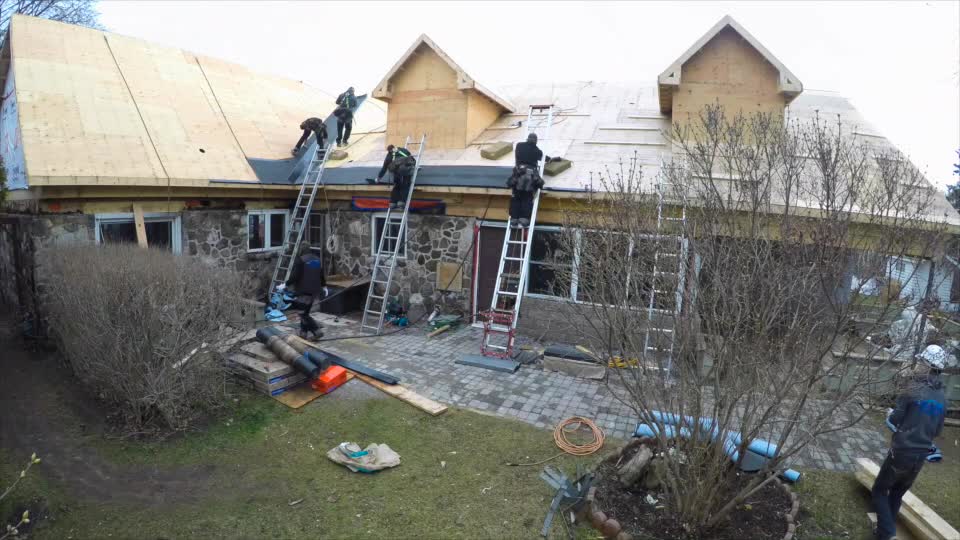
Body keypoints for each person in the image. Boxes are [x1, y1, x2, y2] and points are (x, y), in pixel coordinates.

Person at [871, 346, 947, 540]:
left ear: (928, 365)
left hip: (902, 452)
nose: (918, 365)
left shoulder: (912, 389)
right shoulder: (942, 398)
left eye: (921, 362)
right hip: (920, 456)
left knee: (879, 490)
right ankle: (883, 534)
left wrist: (890, 414)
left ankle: (888, 534)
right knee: (896, 493)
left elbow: (894, 420)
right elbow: (937, 431)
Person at [284, 243, 329, 340]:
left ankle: (317, 331)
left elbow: (295, 276)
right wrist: (324, 286)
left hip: (304, 291)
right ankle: (303, 333)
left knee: (302, 314)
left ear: (301, 250)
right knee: (305, 312)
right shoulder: (317, 259)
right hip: (314, 292)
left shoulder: (301, 260)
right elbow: (321, 275)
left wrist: (286, 284)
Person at [507, 133, 548, 227]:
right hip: (530, 177)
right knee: (527, 198)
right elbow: (543, 158)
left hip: (518, 175)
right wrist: (552, 159)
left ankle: (514, 219)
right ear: (535, 141)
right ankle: (524, 219)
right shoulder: (537, 151)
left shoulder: (519, 145)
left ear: (527, 139)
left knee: (516, 198)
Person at [377, 144, 416, 209]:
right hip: (406, 171)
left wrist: (379, 177)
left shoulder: (389, 156)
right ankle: (401, 202)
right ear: (394, 147)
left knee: (397, 186)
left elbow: (384, 168)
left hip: (396, 173)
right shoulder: (403, 150)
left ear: (389, 150)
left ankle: (392, 203)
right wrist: (413, 166)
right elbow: (412, 159)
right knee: (405, 185)